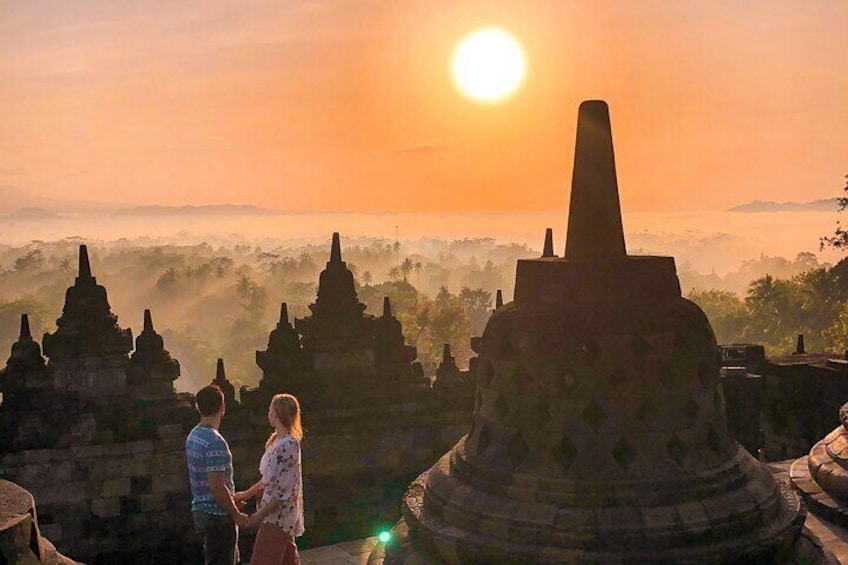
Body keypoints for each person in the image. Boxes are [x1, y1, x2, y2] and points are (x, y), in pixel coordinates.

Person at [186, 384, 278, 565]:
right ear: (222, 407)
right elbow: (216, 485)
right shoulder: (215, 442)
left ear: (198, 407)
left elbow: (207, 482)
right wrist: (235, 513)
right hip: (217, 516)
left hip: (200, 510)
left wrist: (231, 499)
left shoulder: (193, 436)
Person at [235, 393, 305, 565]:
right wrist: (246, 494)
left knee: (263, 559)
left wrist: (256, 517)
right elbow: (267, 479)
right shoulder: (276, 440)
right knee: (288, 560)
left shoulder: (289, 444)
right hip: (275, 513)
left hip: (278, 516)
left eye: (270, 409)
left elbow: (284, 492)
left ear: (276, 413)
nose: (268, 413)